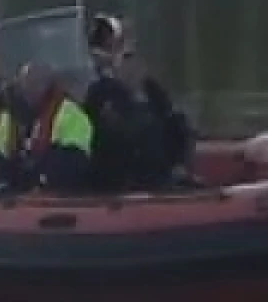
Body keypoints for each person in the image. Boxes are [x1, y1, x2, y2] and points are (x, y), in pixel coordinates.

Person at [83, 41, 195, 191]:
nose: (131, 68)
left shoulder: (156, 94)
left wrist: (179, 163)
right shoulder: (102, 94)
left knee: (178, 123)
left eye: (136, 61)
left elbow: (177, 128)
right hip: (117, 178)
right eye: (125, 60)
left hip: (157, 174)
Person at [0, 61, 94, 193]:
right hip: (17, 195)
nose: (30, 89)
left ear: (48, 86)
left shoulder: (72, 115)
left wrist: (42, 179)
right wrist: (1, 183)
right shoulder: (9, 116)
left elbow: (75, 160)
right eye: (25, 84)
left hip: (60, 194)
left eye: (36, 84)